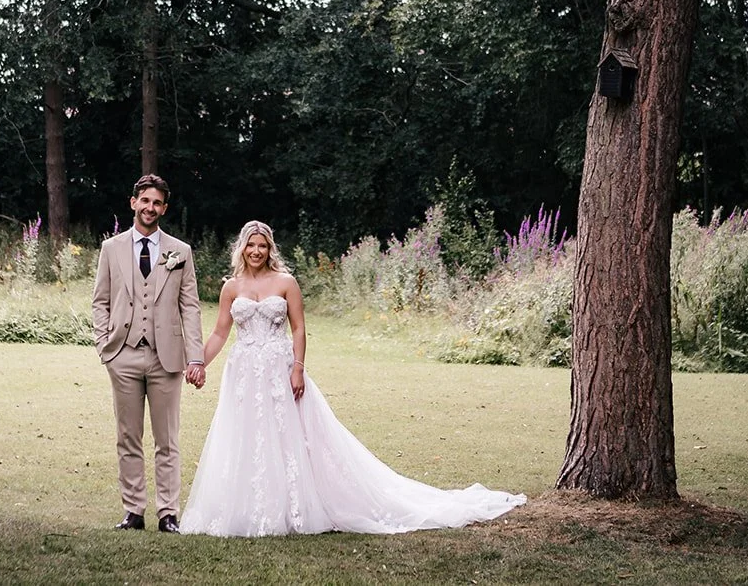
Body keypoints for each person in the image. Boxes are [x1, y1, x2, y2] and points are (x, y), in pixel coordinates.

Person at [179, 220, 526, 537]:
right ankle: (251, 509)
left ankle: (298, 507)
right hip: (244, 375)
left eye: (263, 245)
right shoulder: (230, 287)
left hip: (279, 369)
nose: (257, 251)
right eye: (251, 245)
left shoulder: (285, 282)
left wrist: (297, 367)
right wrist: (199, 362)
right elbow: (220, 333)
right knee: (248, 440)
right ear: (241, 248)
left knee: (291, 439)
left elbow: (299, 328)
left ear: (271, 249)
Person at [92, 173, 206, 533]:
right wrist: (104, 347)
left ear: (164, 208)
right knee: (128, 437)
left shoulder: (180, 251)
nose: (150, 208)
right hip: (122, 355)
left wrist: (195, 356)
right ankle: (133, 511)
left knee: (167, 439)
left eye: (157, 203)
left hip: (167, 358)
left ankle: (168, 513)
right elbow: (100, 301)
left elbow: (191, 307)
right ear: (133, 203)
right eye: (145, 201)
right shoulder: (111, 249)